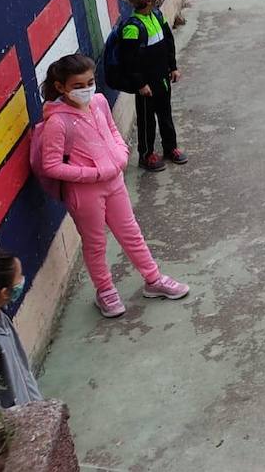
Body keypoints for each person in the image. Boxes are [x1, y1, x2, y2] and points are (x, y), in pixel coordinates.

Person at [37, 54, 190, 318]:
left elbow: (113, 131)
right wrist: (94, 173)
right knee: (95, 243)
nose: (87, 89)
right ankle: (104, 290)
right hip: (84, 194)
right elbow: (51, 166)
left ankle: (153, 280)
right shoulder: (57, 123)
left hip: (114, 182)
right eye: (78, 86)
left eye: (90, 82)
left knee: (131, 232)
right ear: (61, 87)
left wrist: (121, 154)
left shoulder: (98, 102)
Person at [119, 0, 184, 172]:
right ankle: (146, 154)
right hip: (146, 85)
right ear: (146, 0)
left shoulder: (157, 16)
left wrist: (172, 66)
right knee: (147, 121)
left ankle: (170, 147)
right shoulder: (132, 28)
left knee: (166, 115)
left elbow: (168, 42)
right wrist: (140, 84)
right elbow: (130, 62)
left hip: (162, 78)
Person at [0, 249, 41, 407]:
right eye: (19, 279)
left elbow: (23, 371)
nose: (22, 280)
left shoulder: (1, 319)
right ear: (4, 293)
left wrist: (38, 406)